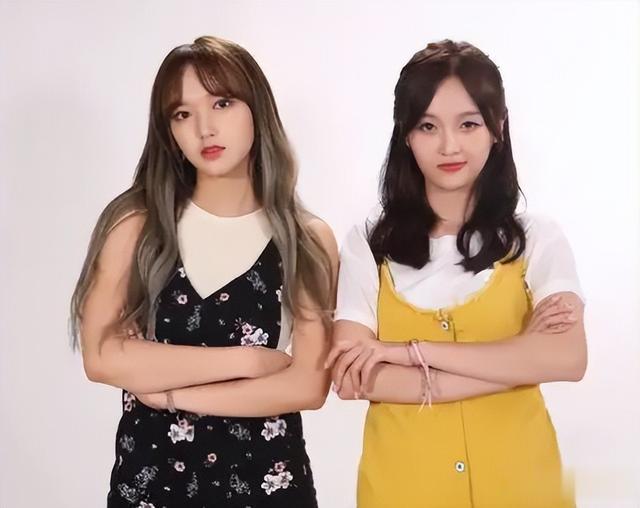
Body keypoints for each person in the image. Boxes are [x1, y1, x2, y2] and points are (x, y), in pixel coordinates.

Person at [70, 35, 337, 507]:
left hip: (267, 485)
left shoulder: (306, 238)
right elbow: (101, 357)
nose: (205, 129)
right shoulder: (137, 225)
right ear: (168, 129)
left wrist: (168, 392)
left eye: (222, 103)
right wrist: (247, 363)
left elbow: (307, 385)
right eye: (182, 114)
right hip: (152, 484)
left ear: (256, 108)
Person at [327, 39, 586, 508]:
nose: (449, 145)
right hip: (402, 493)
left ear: (497, 127)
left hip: (525, 491)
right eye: (428, 126)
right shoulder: (368, 243)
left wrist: (406, 355)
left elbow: (568, 358)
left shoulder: (536, 238)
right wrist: (520, 362)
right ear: (406, 134)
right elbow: (352, 378)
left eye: (468, 124)